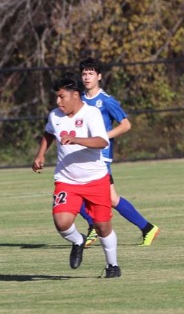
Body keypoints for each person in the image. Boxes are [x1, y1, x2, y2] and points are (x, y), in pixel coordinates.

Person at [32, 72, 121, 278]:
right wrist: (40, 154)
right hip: (66, 180)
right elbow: (49, 133)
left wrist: (77, 139)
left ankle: (112, 265)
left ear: (75, 95)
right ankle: (78, 241)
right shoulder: (55, 115)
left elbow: (102, 141)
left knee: (102, 227)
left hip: (96, 180)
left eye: (61, 97)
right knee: (61, 223)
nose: (58, 102)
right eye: (56, 97)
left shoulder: (91, 114)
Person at [78, 57, 159, 247]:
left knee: (71, 190)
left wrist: (103, 137)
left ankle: (94, 226)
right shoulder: (79, 99)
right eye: (84, 74)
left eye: (91, 73)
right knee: (111, 198)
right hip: (84, 155)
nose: (87, 77)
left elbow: (126, 125)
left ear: (99, 76)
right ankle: (147, 228)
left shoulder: (106, 101)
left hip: (101, 156)